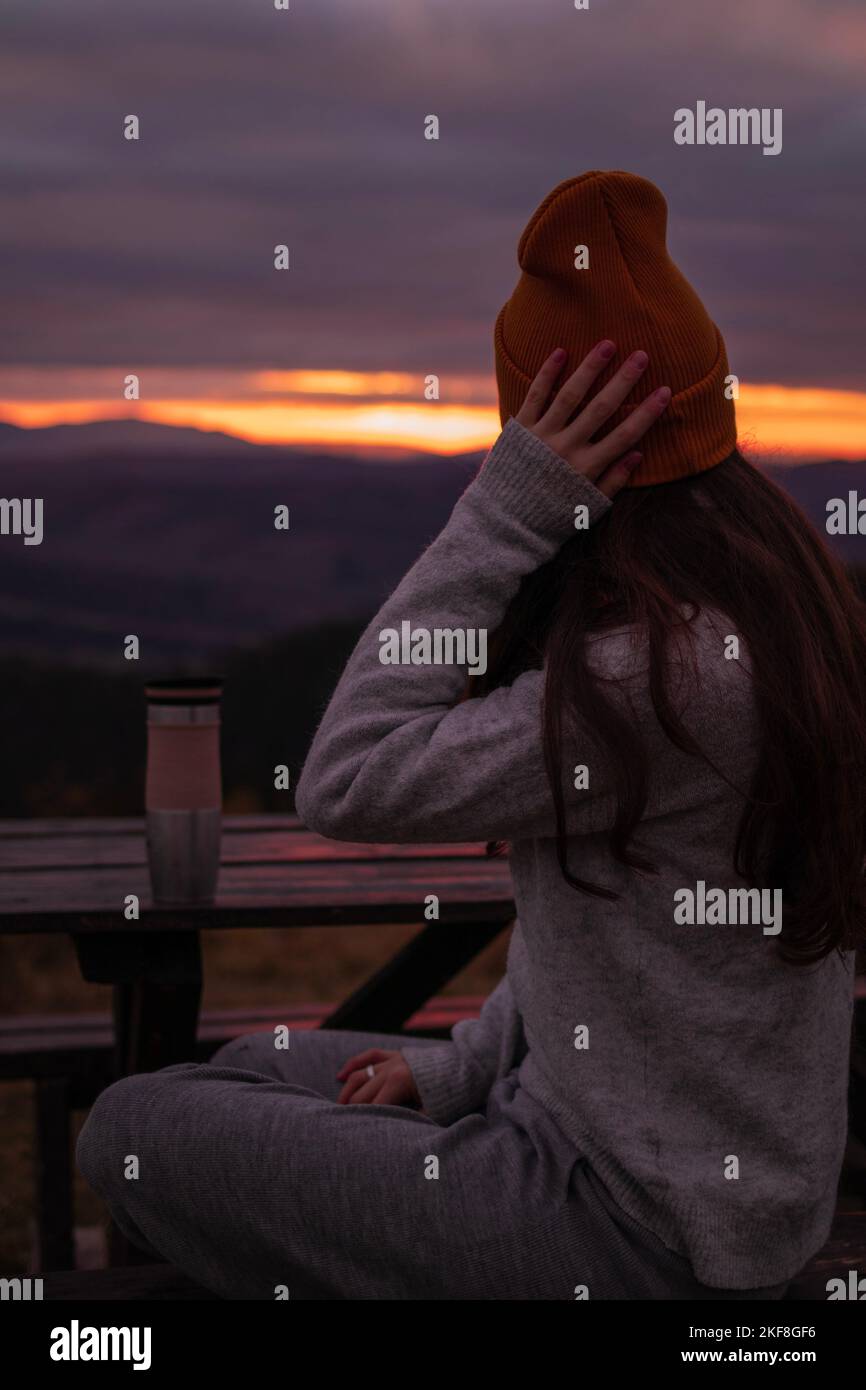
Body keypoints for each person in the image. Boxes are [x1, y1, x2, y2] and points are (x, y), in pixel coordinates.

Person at [77, 170, 865, 1300]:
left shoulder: (658, 673)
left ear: (566, 454)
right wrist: (458, 1074)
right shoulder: (778, 613)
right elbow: (619, 951)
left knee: (132, 1124)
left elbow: (347, 777)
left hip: (623, 1230)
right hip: (666, 1183)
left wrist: (508, 506)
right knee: (253, 1069)